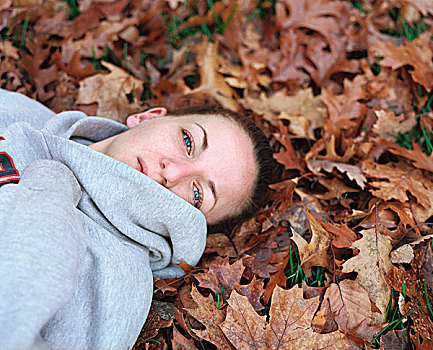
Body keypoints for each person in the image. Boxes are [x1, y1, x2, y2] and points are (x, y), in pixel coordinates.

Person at [0, 89, 273, 349]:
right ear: (148, 117)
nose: (174, 172)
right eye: (187, 141)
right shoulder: (19, 110)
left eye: (197, 193)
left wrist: (49, 190)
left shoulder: (116, 284)